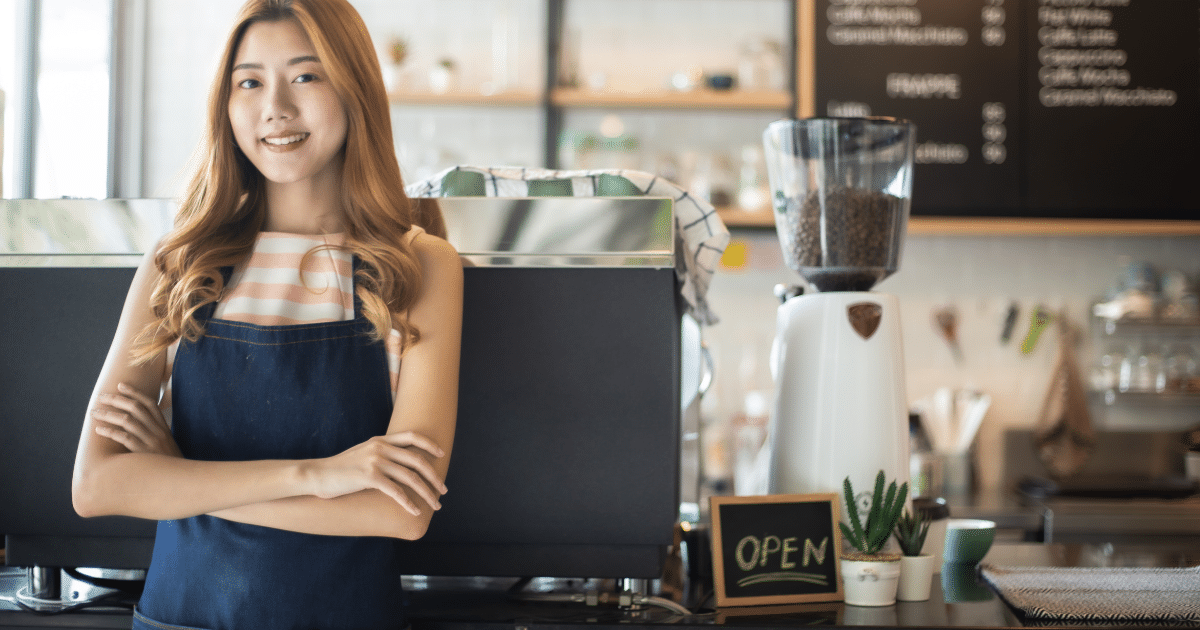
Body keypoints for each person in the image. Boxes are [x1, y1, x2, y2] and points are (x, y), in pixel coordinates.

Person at [70, 0, 463, 628]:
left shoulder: (419, 267)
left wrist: (178, 479)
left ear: (355, 87)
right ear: (225, 106)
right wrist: (323, 476)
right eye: (248, 81)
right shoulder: (179, 262)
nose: (275, 107)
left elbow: (400, 511)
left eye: (306, 76)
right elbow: (96, 487)